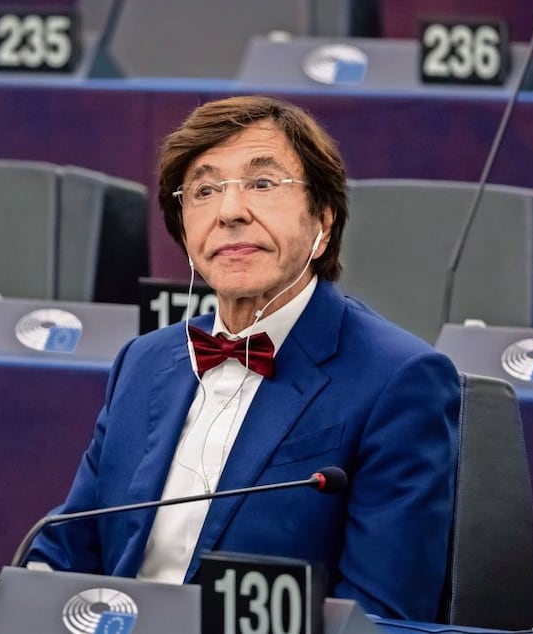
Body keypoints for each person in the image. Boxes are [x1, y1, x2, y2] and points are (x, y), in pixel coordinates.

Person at [28, 95, 460, 620]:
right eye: (205, 191)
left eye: (262, 183)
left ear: (322, 219)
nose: (230, 212)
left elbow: (381, 615)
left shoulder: (399, 380)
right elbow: (67, 545)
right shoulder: (144, 362)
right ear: (185, 234)